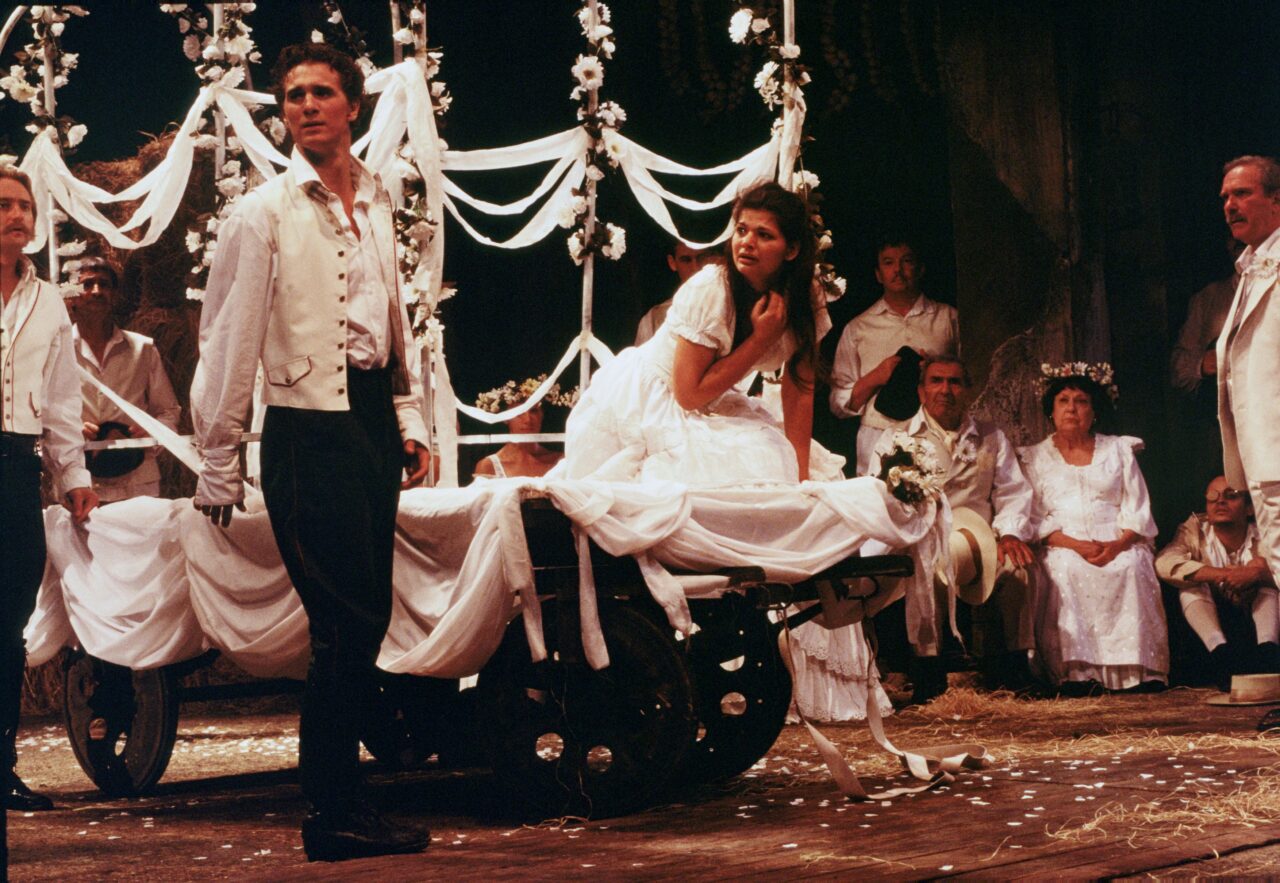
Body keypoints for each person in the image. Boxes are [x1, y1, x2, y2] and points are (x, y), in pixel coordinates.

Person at [190, 44, 431, 862]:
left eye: (322, 92)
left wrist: (408, 416)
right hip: (305, 427)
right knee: (343, 621)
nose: (306, 106)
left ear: (352, 105)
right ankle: (331, 810)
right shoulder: (263, 212)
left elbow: (391, 318)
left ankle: (344, 801)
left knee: (366, 617)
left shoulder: (380, 197)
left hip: (368, 419)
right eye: (294, 95)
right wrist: (219, 455)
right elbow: (228, 338)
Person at [562, 180, 828, 485]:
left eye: (764, 235)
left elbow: (800, 389)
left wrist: (800, 475)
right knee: (735, 470)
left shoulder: (806, 294)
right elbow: (688, 395)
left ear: (792, 249)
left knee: (776, 463)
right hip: (650, 403)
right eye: (742, 230)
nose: (747, 242)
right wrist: (760, 340)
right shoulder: (712, 288)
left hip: (711, 401)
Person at [0, 165, 98, 812]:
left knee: (9, 621)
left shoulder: (48, 301)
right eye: (4, 205)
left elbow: (62, 399)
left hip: (14, 467)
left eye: (25, 206)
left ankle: (1, 765)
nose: (17, 215)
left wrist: (73, 475)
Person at [870, 356, 1036, 702]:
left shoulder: (991, 437)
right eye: (937, 381)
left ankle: (1014, 667)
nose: (946, 390)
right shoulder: (895, 438)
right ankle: (928, 669)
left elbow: (1013, 492)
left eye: (955, 382)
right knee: (928, 573)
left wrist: (1009, 533)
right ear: (921, 390)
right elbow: (879, 497)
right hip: (922, 540)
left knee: (1018, 570)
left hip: (980, 541)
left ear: (968, 391)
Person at [1017, 363, 1168, 691]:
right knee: (1065, 569)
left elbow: (1137, 504)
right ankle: (1078, 674)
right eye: (1063, 401)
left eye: (1081, 401)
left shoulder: (1118, 449)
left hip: (1117, 538)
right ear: (1051, 410)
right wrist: (1076, 545)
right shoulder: (1034, 457)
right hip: (1062, 541)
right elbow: (1034, 516)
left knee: (1132, 565)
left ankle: (1136, 673)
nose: (1072, 408)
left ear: (1094, 411)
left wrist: (1118, 544)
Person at [829, 235, 959, 474]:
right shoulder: (858, 328)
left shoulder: (949, 319)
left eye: (906, 261)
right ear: (878, 274)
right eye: (888, 263)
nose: (897, 270)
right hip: (877, 437)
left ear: (920, 268)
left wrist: (936, 371)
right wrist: (877, 376)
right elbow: (838, 404)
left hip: (939, 433)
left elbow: (972, 382)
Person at [67, 256, 181, 503]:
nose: (96, 291)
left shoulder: (143, 349)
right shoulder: (58, 352)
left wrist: (152, 430)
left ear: (115, 294)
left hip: (139, 482)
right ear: (71, 296)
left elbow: (169, 411)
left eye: (104, 284)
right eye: (87, 284)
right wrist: (71, 430)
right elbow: (44, 413)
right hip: (79, 482)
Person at [1217, 155, 1280, 590]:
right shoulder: (1250, 268)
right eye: (1225, 197)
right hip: (1262, 454)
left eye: (1242, 193)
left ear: (1276, 200)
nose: (1229, 205)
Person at [1156, 476, 1277, 690]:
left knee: (1267, 582)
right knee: (1191, 585)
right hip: (1216, 615)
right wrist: (1221, 574)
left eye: (1231, 496)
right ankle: (1221, 656)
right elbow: (1165, 562)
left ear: (1249, 508)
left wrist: (1257, 573)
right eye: (1213, 497)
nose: (1220, 502)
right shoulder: (1194, 528)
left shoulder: (1265, 532)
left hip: (1257, 617)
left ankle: (1268, 654)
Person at [472, 375, 570, 480]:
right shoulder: (488, 467)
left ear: (542, 415)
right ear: (505, 417)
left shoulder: (561, 461)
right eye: (519, 412)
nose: (528, 419)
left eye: (534, 411)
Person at [634, 241, 721, 346]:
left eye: (701, 258)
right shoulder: (654, 318)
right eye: (686, 260)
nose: (695, 268)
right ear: (672, 263)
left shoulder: (727, 305)